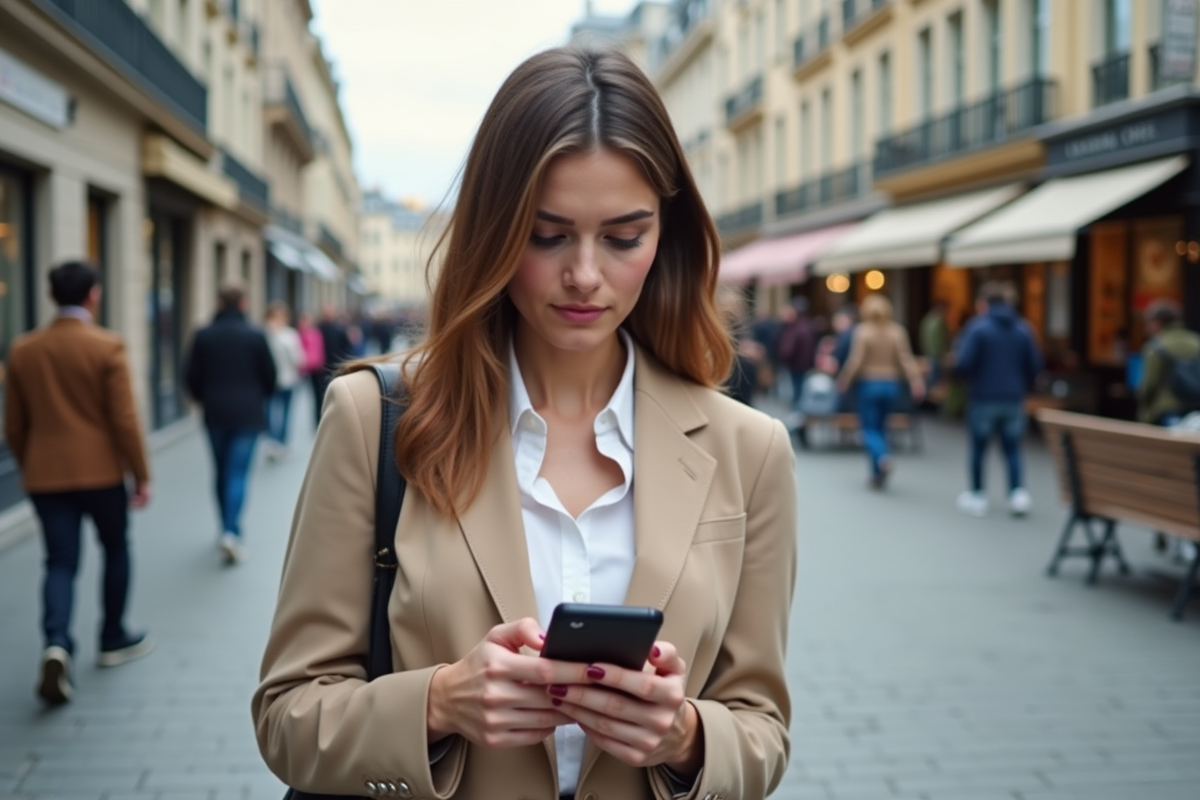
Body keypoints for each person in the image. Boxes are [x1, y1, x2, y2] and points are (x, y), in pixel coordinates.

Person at [252, 47, 798, 800]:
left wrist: (686, 738)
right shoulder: (373, 419)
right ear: (497, 232)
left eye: (623, 236)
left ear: (664, 236)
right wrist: (438, 703)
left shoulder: (750, 450)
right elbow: (287, 715)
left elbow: (763, 726)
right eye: (547, 235)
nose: (583, 273)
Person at [3, 261, 154, 705]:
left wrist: (33, 460)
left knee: (60, 561)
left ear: (52, 297)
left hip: (46, 474)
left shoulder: (24, 349)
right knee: (115, 547)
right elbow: (124, 420)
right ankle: (112, 637)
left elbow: (13, 424)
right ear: (94, 295)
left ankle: (56, 643)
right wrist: (141, 474)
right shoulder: (107, 346)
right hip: (102, 472)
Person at [184, 283, 277, 564]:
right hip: (248, 414)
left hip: (215, 413)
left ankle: (224, 528)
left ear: (220, 304)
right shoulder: (255, 336)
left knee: (221, 470)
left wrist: (205, 398)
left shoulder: (203, 336)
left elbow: (189, 376)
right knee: (237, 473)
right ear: (244, 305)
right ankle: (231, 531)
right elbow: (270, 376)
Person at [953, 281, 1043, 518]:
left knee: (979, 448)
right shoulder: (1023, 328)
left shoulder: (977, 329)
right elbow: (1034, 365)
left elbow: (964, 363)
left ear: (984, 303)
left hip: (983, 396)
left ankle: (977, 494)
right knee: (1012, 448)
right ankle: (1017, 493)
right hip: (1013, 397)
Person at [836, 294, 925, 488]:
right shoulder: (897, 331)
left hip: (869, 385)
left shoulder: (863, 331)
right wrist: (916, 381)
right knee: (882, 429)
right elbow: (905, 359)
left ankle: (882, 458)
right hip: (891, 385)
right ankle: (876, 473)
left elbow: (856, 360)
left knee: (868, 429)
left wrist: (844, 379)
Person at [1137, 299, 1200, 427]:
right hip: (1196, 410)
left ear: (1157, 323)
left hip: (1165, 413)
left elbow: (1149, 386)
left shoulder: (1155, 347)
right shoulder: (1196, 342)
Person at [263, 302, 305, 459]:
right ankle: (272, 442)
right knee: (269, 413)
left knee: (286, 413)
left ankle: (282, 442)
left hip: (288, 380)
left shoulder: (290, 335)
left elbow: (298, 359)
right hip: (269, 382)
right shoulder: (264, 335)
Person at [313, 305, 353, 419]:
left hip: (334, 366)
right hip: (319, 368)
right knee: (319, 396)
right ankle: (320, 418)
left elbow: (346, 348)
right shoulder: (318, 328)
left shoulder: (339, 328)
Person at [776, 297, 817, 409]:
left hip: (797, 364)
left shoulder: (796, 327)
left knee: (798, 389)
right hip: (802, 364)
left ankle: (798, 413)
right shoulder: (806, 325)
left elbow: (789, 348)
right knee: (799, 388)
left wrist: (785, 356)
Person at [295, 311, 326, 426]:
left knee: (317, 395)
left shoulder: (315, 333)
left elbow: (319, 350)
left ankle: (318, 419)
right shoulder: (297, 334)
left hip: (316, 368)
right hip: (302, 369)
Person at [919, 299, 950, 393]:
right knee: (935, 380)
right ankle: (933, 401)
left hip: (929, 353)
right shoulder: (938, 321)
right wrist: (943, 353)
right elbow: (940, 339)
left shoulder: (928, 319)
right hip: (936, 354)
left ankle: (930, 399)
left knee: (931, 378)